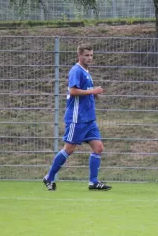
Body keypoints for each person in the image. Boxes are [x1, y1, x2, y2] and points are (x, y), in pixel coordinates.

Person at [42, 43, 112, 191]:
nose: (89, 58)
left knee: (98, 148)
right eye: (86, 55)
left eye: (91, 55)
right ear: (79, 56)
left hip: (89, 119)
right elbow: (73, 91)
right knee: (69, 149)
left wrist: (94, 94)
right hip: (77, 118)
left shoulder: (86, 72)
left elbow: (85, 91)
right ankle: (49, 177)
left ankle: (93, 182)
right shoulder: (76, 70)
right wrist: (92, 91)